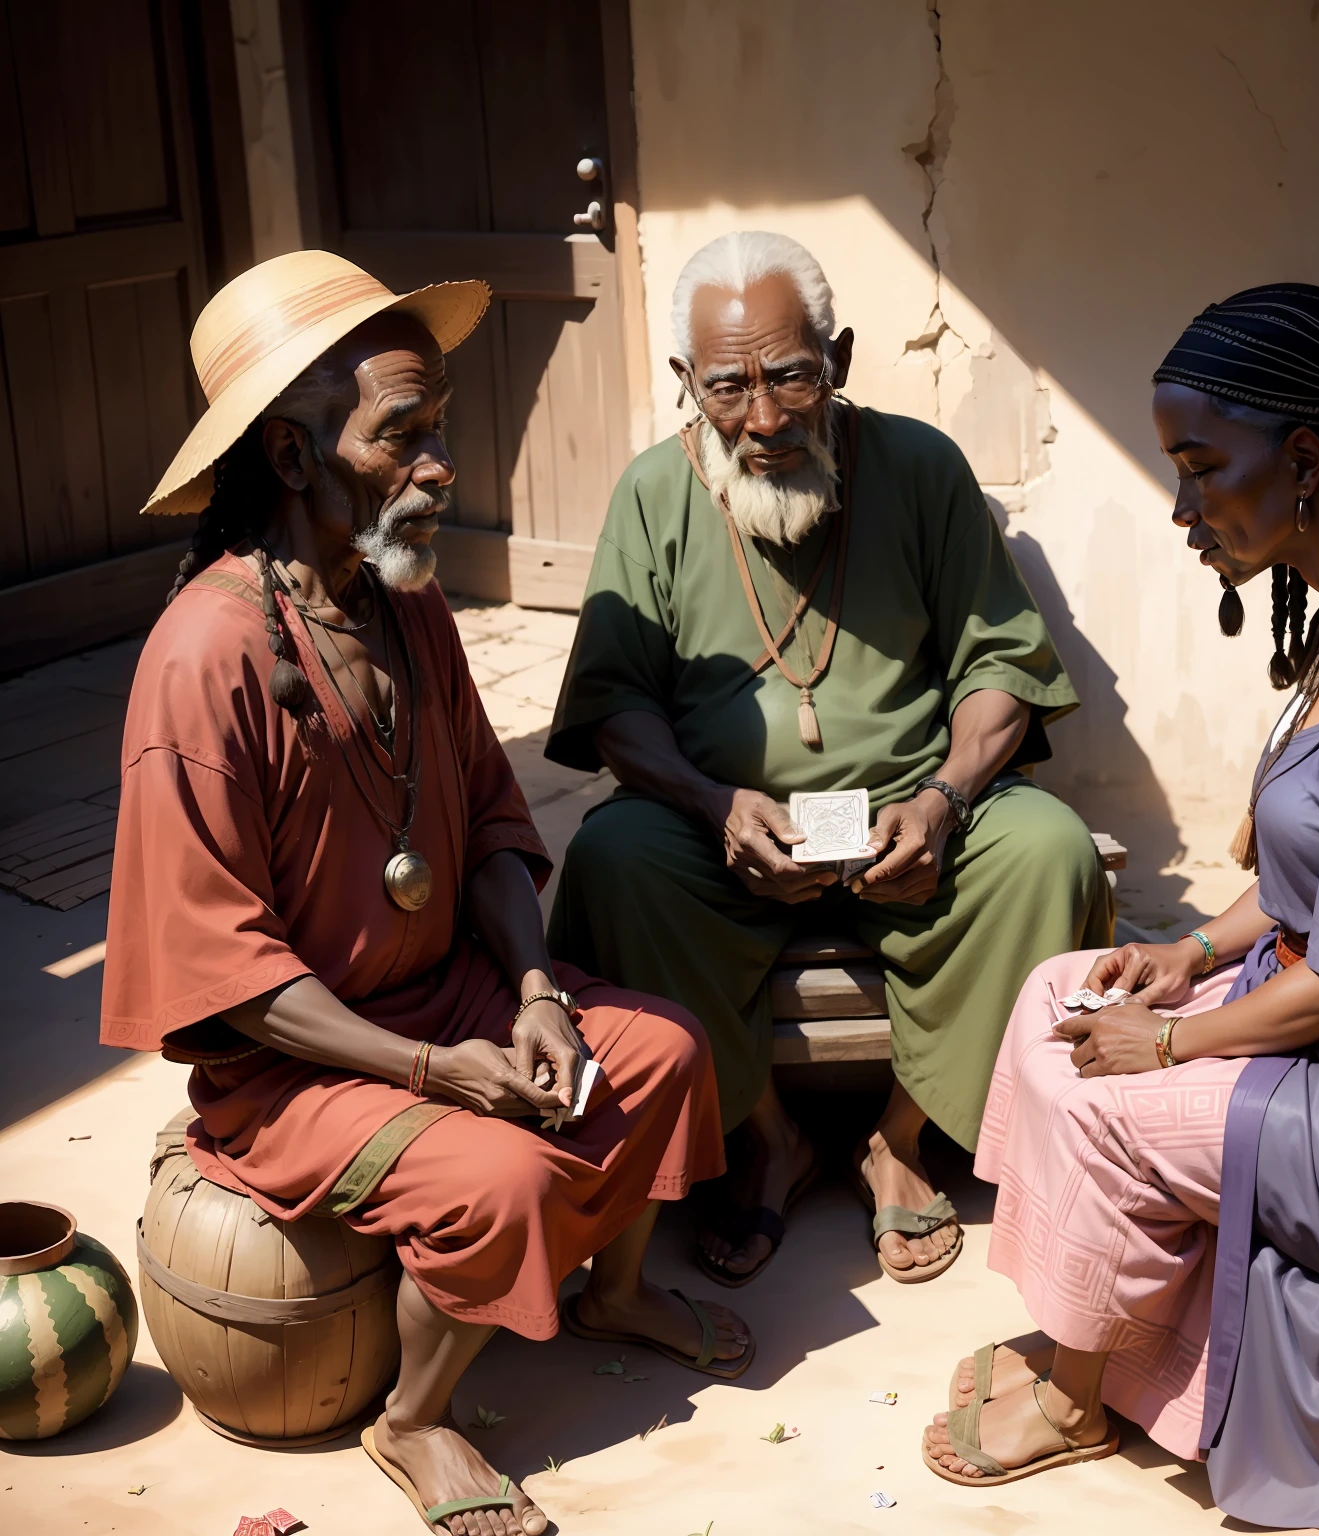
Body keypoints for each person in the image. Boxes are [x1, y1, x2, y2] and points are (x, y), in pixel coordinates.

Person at [101, 251, 749, 1536]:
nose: (442, 466)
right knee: (498, 1181)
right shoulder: (206, 659)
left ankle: (610, 1293)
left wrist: (535, 988)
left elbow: (496, 825)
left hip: (448, 994)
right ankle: (413, 1420)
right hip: (294, 1068)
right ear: (292, 459)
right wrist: (434, 1071)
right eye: (402, 435)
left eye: (438, 429)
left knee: (665, 1052)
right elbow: (224, 975)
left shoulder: (406, 605)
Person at [923, 281, 1319, 1536]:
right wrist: (1187, 951)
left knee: (1099, 1093)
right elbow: (1318, 883)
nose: (1182, 506)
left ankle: (1084, 1389)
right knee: (1061, 988)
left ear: (1305, 458)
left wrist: (1168, 1041)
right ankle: (1094, 1321)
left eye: (1204, 468)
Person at [545, 231, 1112, 1288]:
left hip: (913, 825)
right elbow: (614, 703)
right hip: (728, 833)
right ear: (686, 385)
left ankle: (902, 1143)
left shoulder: (922, 468)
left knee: (1047, 849)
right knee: (615, 859)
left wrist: (945, 799)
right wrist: (708, 801)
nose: (763, 419)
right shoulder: (653, 496)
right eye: (728, 387)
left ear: (838, 358)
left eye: (791, 376)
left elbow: (1000, 664)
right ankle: (768, 1136)